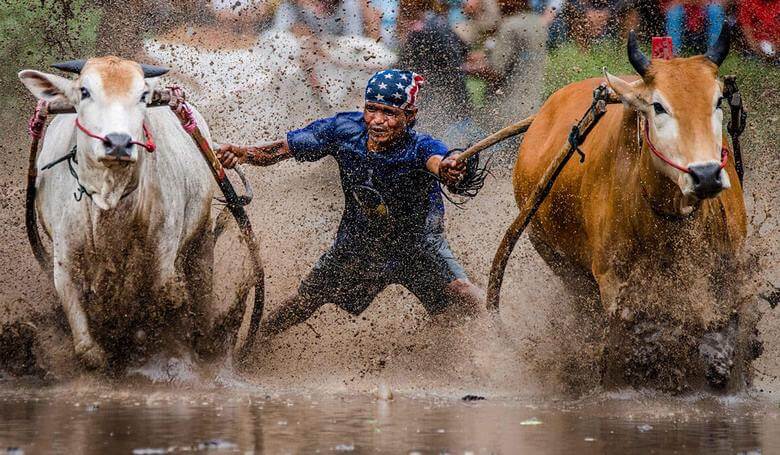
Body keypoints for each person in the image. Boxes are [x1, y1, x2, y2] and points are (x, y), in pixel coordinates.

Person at [217, 69, 485, 339]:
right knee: (303, 302)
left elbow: (440, 161)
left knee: (463, 295)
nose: (378, 121)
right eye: (372, 109)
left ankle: (496, 342)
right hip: (358, 244)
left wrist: (451, 167)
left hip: (417, 246)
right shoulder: (343, 130)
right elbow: (281, 150)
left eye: (390, 113)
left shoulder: (420, 147)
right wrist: (243, 154)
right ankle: (254, 347)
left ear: (410, 116)